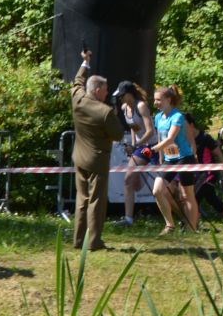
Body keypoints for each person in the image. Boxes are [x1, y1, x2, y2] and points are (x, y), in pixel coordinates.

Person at [71, 50, 124, 251]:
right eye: (105, 90)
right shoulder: (105, 112)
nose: (107, 93)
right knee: (96, 202)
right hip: (98, 161)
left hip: (79, 158)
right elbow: (118, 135)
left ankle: (78, 240)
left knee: (81, 199)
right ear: (97, 90)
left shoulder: (77, 99)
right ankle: (93, 242)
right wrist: (115, 116)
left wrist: (85, 63)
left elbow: (77, 81)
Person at [151, 85, 199, 234]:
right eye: (154, 100)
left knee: (187, 195)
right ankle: (169, 225)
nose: (155, 103)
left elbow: (170, 138)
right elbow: (161, 137)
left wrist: (153, 149)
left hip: (184, 158)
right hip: (169, 159)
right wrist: (160, 156)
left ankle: (192, 228)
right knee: (157, 190)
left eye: (158, 100)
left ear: (168, 100)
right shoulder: (158, 117)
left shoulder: (177, 116)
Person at [185, 113, 223, 230]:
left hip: (209, 174)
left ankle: (192, 224)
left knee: (196, 195)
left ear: (191, 125)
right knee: (211, 198)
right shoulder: (185, 140)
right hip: (195, 174)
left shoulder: (205, 137)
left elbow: (219, 155)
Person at [112, 80, 155, 227]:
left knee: (128, 180)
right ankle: (128, 218)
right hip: (139, 147)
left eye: (122, 95)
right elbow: (133, 127)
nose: (120, 98)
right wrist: (132, 145)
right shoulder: (125, 108)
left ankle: (128, 219)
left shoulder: (141, 106)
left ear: (129, 94)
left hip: (150, 147)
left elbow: (150, 131)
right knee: (134, 184)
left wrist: (135, 145)